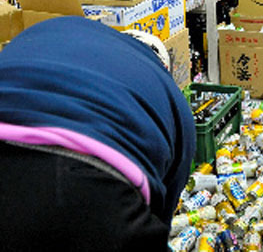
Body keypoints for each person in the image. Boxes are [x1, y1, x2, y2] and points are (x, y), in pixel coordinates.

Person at [0, 16, 196, 251]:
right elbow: (161, 206)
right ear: (165, 67)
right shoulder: (173, 99)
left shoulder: (62, 29)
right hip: (90, 183)